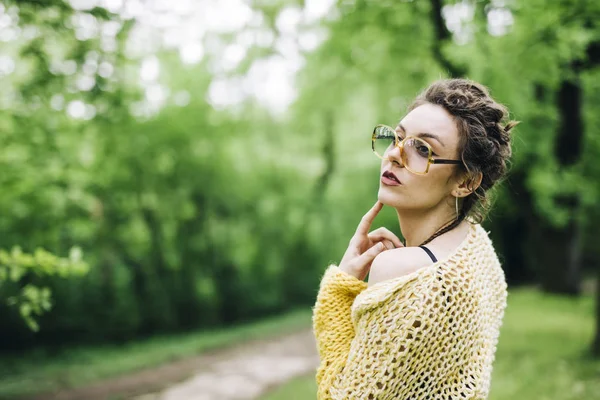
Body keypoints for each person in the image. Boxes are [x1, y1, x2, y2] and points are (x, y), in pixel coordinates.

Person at [312, 78, 518, 399]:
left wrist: (338, 293)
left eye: (423, 149)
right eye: (398, 138)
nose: (394, 155)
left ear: (465, 182)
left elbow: (345, 395)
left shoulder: (401, 271)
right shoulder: (476, 248)